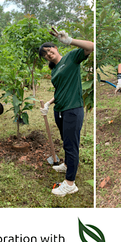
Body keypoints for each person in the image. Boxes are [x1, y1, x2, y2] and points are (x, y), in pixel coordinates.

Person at [38, 26, 94, 197]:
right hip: (60, 110)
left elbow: (91, 46)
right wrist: (48, 102)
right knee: (66, 142)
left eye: (49, 50)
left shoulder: (71, 57)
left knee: (71, 145)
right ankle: (68, 165)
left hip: (73, 109)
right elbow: (60, 90)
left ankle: (70, 184)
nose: (48, 54)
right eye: (45, 54)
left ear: (56, 48)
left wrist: (70, 41)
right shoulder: (54, 70)